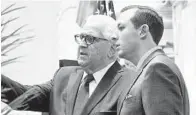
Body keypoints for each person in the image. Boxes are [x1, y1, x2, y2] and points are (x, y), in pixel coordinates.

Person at [2, 15, 137, 115]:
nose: (82, 44)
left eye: (90, 39)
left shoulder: (130, 83)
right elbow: (23, 96)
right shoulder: (63, 76)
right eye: (81, 37)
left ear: (112, 49)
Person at [115, 5, 189, 115]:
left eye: (121, 28)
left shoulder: (157, 69)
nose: (114, 36)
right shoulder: (149, 68)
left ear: (143, 31)